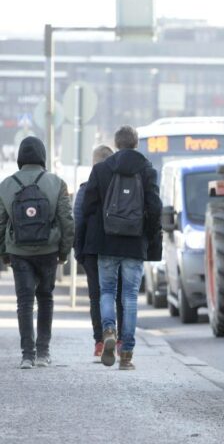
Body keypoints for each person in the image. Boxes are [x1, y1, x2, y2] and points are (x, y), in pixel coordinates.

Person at [81, 126, 162, 370]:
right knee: (129, 297)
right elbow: (155, 209)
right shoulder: (147, 170)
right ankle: (126, 354)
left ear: (116, 144)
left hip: (107, 241)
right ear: (136, 144)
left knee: (107, 290)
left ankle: (108, 330)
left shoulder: (101, 169)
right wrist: (148, 237)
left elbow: (87, 207)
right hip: (135, 244)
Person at [0, 136, 74, 369]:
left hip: (19, 251)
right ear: (43, 156)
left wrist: (4, 253)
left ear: (20, 157)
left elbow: (1, 224)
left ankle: (27, 355)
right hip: (48, 250)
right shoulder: (57, 183)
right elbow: (67, 221)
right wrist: (63, 252)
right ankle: (43, 353)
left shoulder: (6, 185)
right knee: (45, 298)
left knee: (24, 302)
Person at [74, 144, 124, 358]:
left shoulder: (86, 188)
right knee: (120, 294)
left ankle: (99, 342)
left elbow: (78, 220)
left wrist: (78, 250)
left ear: (93, 164)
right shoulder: (121, 186)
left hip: (92, 249)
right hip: (119, 247)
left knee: (96, 295)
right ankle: (121, 340)